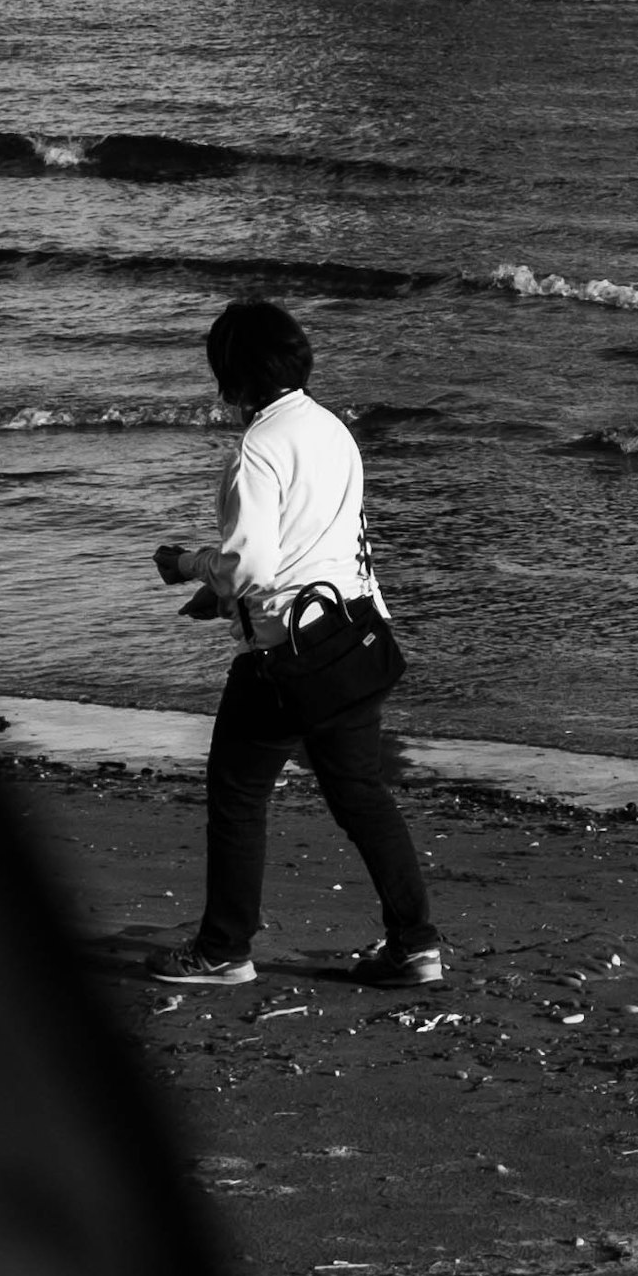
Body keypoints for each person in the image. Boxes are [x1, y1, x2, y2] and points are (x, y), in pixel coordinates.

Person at [155, 294, 440, 989]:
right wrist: (217, 594)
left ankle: (224, 950)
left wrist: (191, 564)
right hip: (352, 639)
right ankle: (416, 945)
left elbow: (251, 567)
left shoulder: (258, 447)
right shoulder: (332, 428)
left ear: (235, 373)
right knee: (360, 794)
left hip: (288, 658)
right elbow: (317, 541)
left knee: (237, 792)